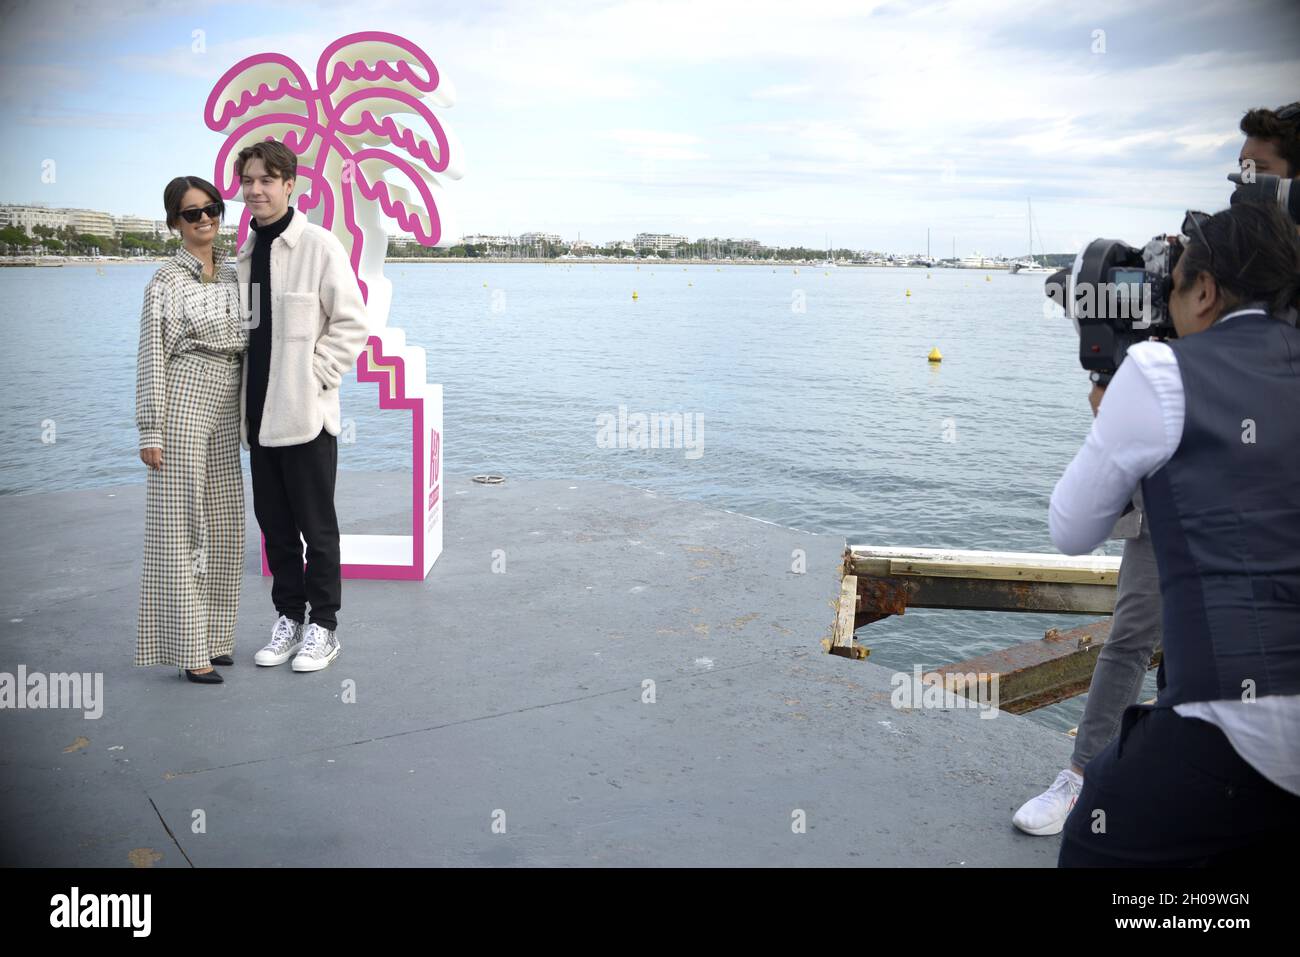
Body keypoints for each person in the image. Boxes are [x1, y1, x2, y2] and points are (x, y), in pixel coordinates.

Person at [1012, 99, 1300, 837]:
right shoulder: (1218, 249)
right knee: (1139, 622)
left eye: (1258, 172)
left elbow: (1068, 528)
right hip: (1185, 459)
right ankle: (1084, 770)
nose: (1242, 186)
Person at [234, 140, 369, 672]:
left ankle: (324, 628)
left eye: (266, 180)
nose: (256, 190)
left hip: (306, 416)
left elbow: (352, 321)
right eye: (248, 180)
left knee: (318, 528)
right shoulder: (243, 255)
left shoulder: (317, 244)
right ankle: (289, 619)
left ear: (290, 185)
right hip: (258, 417)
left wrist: (317, 375)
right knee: (275, 529)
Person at [135, 177, 247, 684]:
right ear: (173, 223)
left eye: (212, 208)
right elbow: (152, 355)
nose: (204, 219)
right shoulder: (164, 280)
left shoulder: (235, 275)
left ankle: (216, 638)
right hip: (184, 391)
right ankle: (188, 650)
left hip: (227, 396)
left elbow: (254, 338)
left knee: (225, 521)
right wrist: (150, 429)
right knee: (180, 527)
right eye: (191, 213)